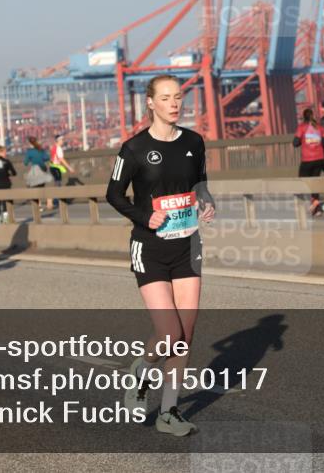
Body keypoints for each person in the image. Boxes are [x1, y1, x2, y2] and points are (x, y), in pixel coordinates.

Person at [107, 74, 216, 437]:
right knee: (168, 333)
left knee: (185, 334)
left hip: (187, 244)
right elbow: (114, 194)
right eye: (166, 98)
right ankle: (142, 371)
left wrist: (206, 203)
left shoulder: (194, 142)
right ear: (150, 103)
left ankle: (168, 412)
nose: (174, 103)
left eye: (178, 97)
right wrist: (144, 215)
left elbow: (200, 184)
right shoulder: (134, 149)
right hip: (150, 248)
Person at [292, 107, 324, 216]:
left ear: (304, 117)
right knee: (314, 182)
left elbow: (295, 143)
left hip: (307, 160)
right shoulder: (320, 128)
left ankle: (303, 206)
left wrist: (303, 140)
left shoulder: (301, 127)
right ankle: (316, 206)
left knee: (302, 182)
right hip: (320, 159)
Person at [23, 137, 53, 210]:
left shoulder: (29, 152)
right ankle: (49, 203)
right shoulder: (41, 150)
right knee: (43, 187)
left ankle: (39, 205)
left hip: (35, 171)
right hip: (43, 170)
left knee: (35, 188)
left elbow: (25, 163)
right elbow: (47, 158)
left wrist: (31, 159)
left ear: (29, 143)